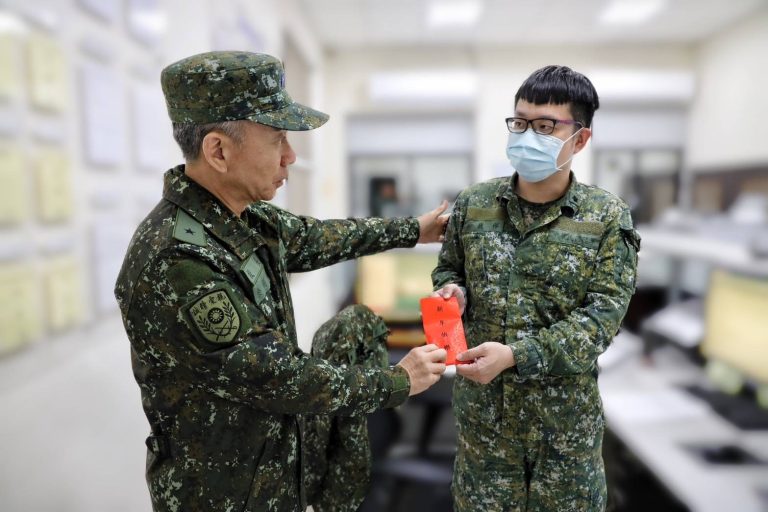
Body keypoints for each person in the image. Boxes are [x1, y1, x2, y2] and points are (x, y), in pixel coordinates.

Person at [114, 51, 448, 512]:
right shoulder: (176, 260)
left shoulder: (241, 217)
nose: (291, 156)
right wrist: (397, 380)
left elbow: (315, 237)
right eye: (277, 139)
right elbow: (280, 377)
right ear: (218, 151)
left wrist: (414, 230)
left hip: (271, 482)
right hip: (222, 497)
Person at [431, 65, 641, 511]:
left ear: (580, 139)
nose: (528, 135)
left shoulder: (606, 217)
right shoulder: (475, 204)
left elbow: (600, 321)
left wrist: (515, 356)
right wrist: (453, 292)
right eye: (520, 123)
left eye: (545, 126)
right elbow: (449, 269)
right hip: (485, 432)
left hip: (563, 438)